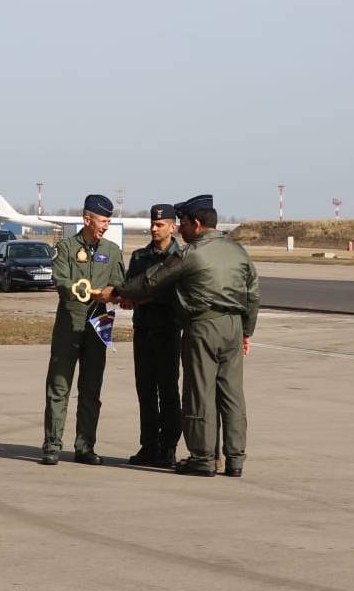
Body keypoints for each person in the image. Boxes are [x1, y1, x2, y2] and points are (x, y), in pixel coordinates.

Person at [103, 194, 260, 478]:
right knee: (232, 395)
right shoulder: (238, 251)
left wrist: (119, 292)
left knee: (199, 392)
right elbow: (253, 293)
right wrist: (247, 331)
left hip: (204, 326)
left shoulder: (191, 254)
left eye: (184, 223)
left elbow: (153, 280)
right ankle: (235, 458)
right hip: (234, 327)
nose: (182, 229)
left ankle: (202, 458)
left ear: (197, 224)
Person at [39, 194, 124, 466]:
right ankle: (52, 445)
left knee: (91, 388)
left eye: (109, 221)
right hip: (69, 325)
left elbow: (119, 285)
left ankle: (85, 446)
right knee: (59, 386)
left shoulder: (111, 251)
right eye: (102, 220)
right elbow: (61, 281)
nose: (106, 226)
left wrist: (114, 294)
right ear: (87, 219)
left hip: (100, 325)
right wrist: (84, 291)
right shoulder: (65, 248)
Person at [124, 203, 183, 468]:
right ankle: (149, 445)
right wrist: (133, 297)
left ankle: (168, 448)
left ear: (173, 227)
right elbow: (130, 289)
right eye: (153, 223)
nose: (154, 228)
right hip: (144, 331)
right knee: (145, 391)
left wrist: (146, 296)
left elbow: (176, 294)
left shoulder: (181, 257)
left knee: (168, 391)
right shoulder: (139, 257)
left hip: (168, 331)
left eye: (160, 224)